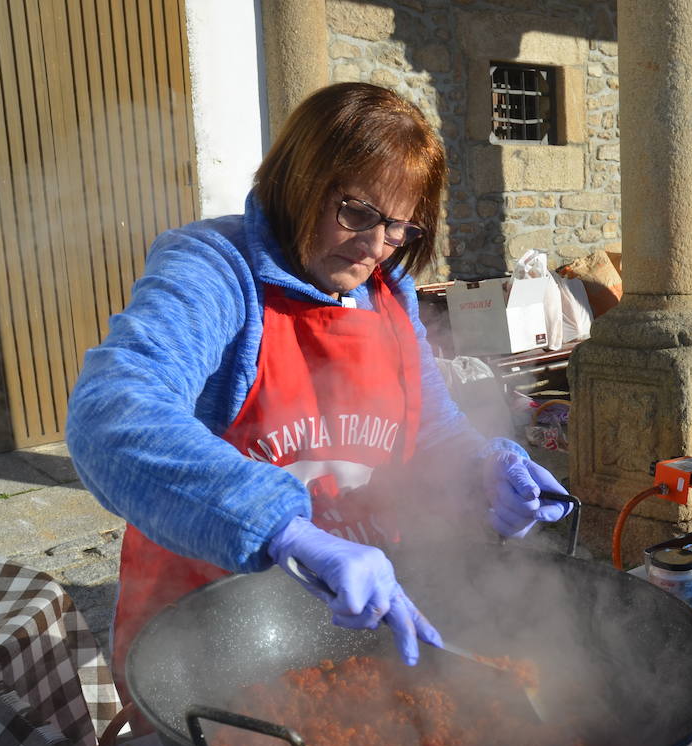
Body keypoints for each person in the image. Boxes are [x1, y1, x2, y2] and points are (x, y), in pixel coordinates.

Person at [65, 82, 572, 697]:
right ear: (299, 181)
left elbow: (431, 427)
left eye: (398, 227)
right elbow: (110, 415)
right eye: (357, 213)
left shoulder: (389, 293)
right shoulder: (214, 267)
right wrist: (283, 527)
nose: (374, 247)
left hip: (356, 615)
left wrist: (484, 464)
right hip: (214, 629)